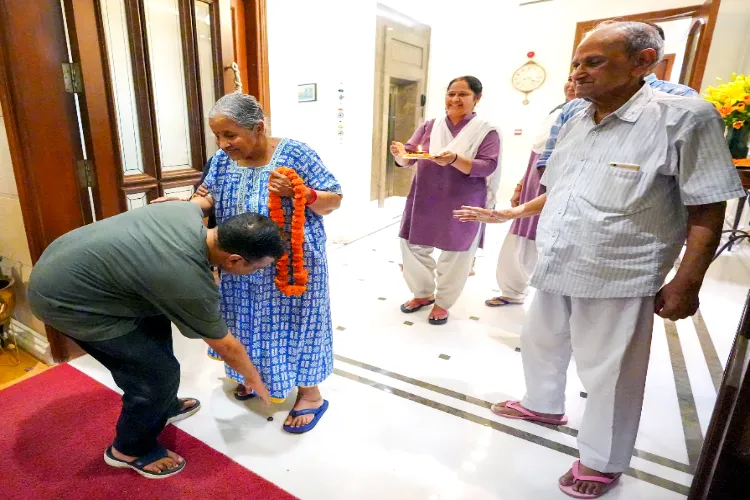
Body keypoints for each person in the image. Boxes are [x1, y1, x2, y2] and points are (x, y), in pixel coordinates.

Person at [455, 21, 744, 498]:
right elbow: (560, 190)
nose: (579, 73)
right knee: (541, 342)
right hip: (558, 257)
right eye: (576, 63)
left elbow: (708, 206)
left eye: (595, 62)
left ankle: (602, 460)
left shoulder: (684, 117)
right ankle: (542, 405)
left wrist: (687, 281)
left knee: (608, 371)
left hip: (620, 270)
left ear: (642, 62)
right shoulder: (575, 118)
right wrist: (511, 211)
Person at [27, 202, 284, 479]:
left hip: (70, 268)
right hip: (65, 301)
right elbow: (227, 347)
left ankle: (163, 405)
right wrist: (253, 378)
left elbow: (200, 203)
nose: (257, 273)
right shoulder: (188, 282)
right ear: (234, 259)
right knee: (157, 375)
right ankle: (129, 450)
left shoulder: (185, 211)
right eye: (258, 268)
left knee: (158, 324)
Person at [159, 93, 342, 433]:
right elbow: (209, 195)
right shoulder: (222, 160)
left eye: (230, 135)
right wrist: (184, 204)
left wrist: (301, 193)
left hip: (291, 264)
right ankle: (255, 376)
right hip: (240, 263)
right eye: (218, 136)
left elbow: (334, 199)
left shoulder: (296, 154)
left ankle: (310, 395)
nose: (223, 143)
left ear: (257, 128)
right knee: (245, 322)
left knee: (298, 325)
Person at [392, 75, 500, 325]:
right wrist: (400, 155)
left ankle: (443, 302)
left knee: (456, 253)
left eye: (463, 94)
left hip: (463, 199)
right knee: (412, 246)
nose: (455, 99)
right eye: (451, 93)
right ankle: (423, 294)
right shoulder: (430, 125)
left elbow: (488, 165)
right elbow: (410, 154)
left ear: (477, 98)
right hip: (425, 197)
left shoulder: (486, 131)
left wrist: (454, 160)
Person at [485, 78, 575, 308]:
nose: (572, 84)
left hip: (559, 188)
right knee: (521, 236)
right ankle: (513, 291)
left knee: (548, 241)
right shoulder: (558, 112)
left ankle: (550, 304)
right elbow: (537, 156)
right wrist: (521, 185)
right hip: (535, 183)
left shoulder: (588, 116)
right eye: (569, 80)